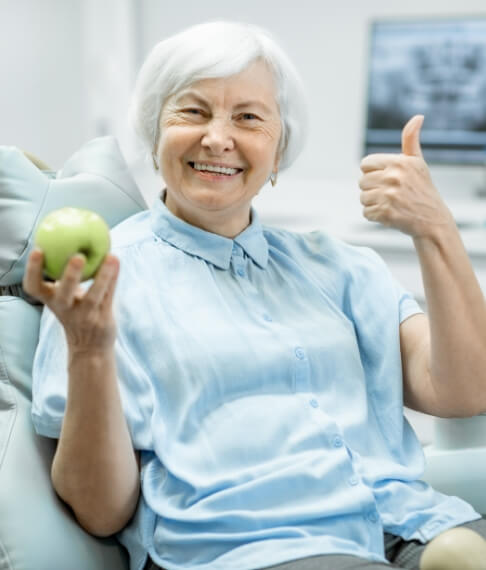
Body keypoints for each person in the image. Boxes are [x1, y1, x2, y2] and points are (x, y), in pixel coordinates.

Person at [23, 20, 486, 570]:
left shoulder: (337, 265)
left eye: (248, 117)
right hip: (256, 548)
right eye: (192, 111)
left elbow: (463, 392)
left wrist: (435, 229)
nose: (218, 137)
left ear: (279, 146)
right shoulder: (101, 287)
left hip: (404, 519)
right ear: (153, 132)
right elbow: (101, 512)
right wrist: (90, 349)